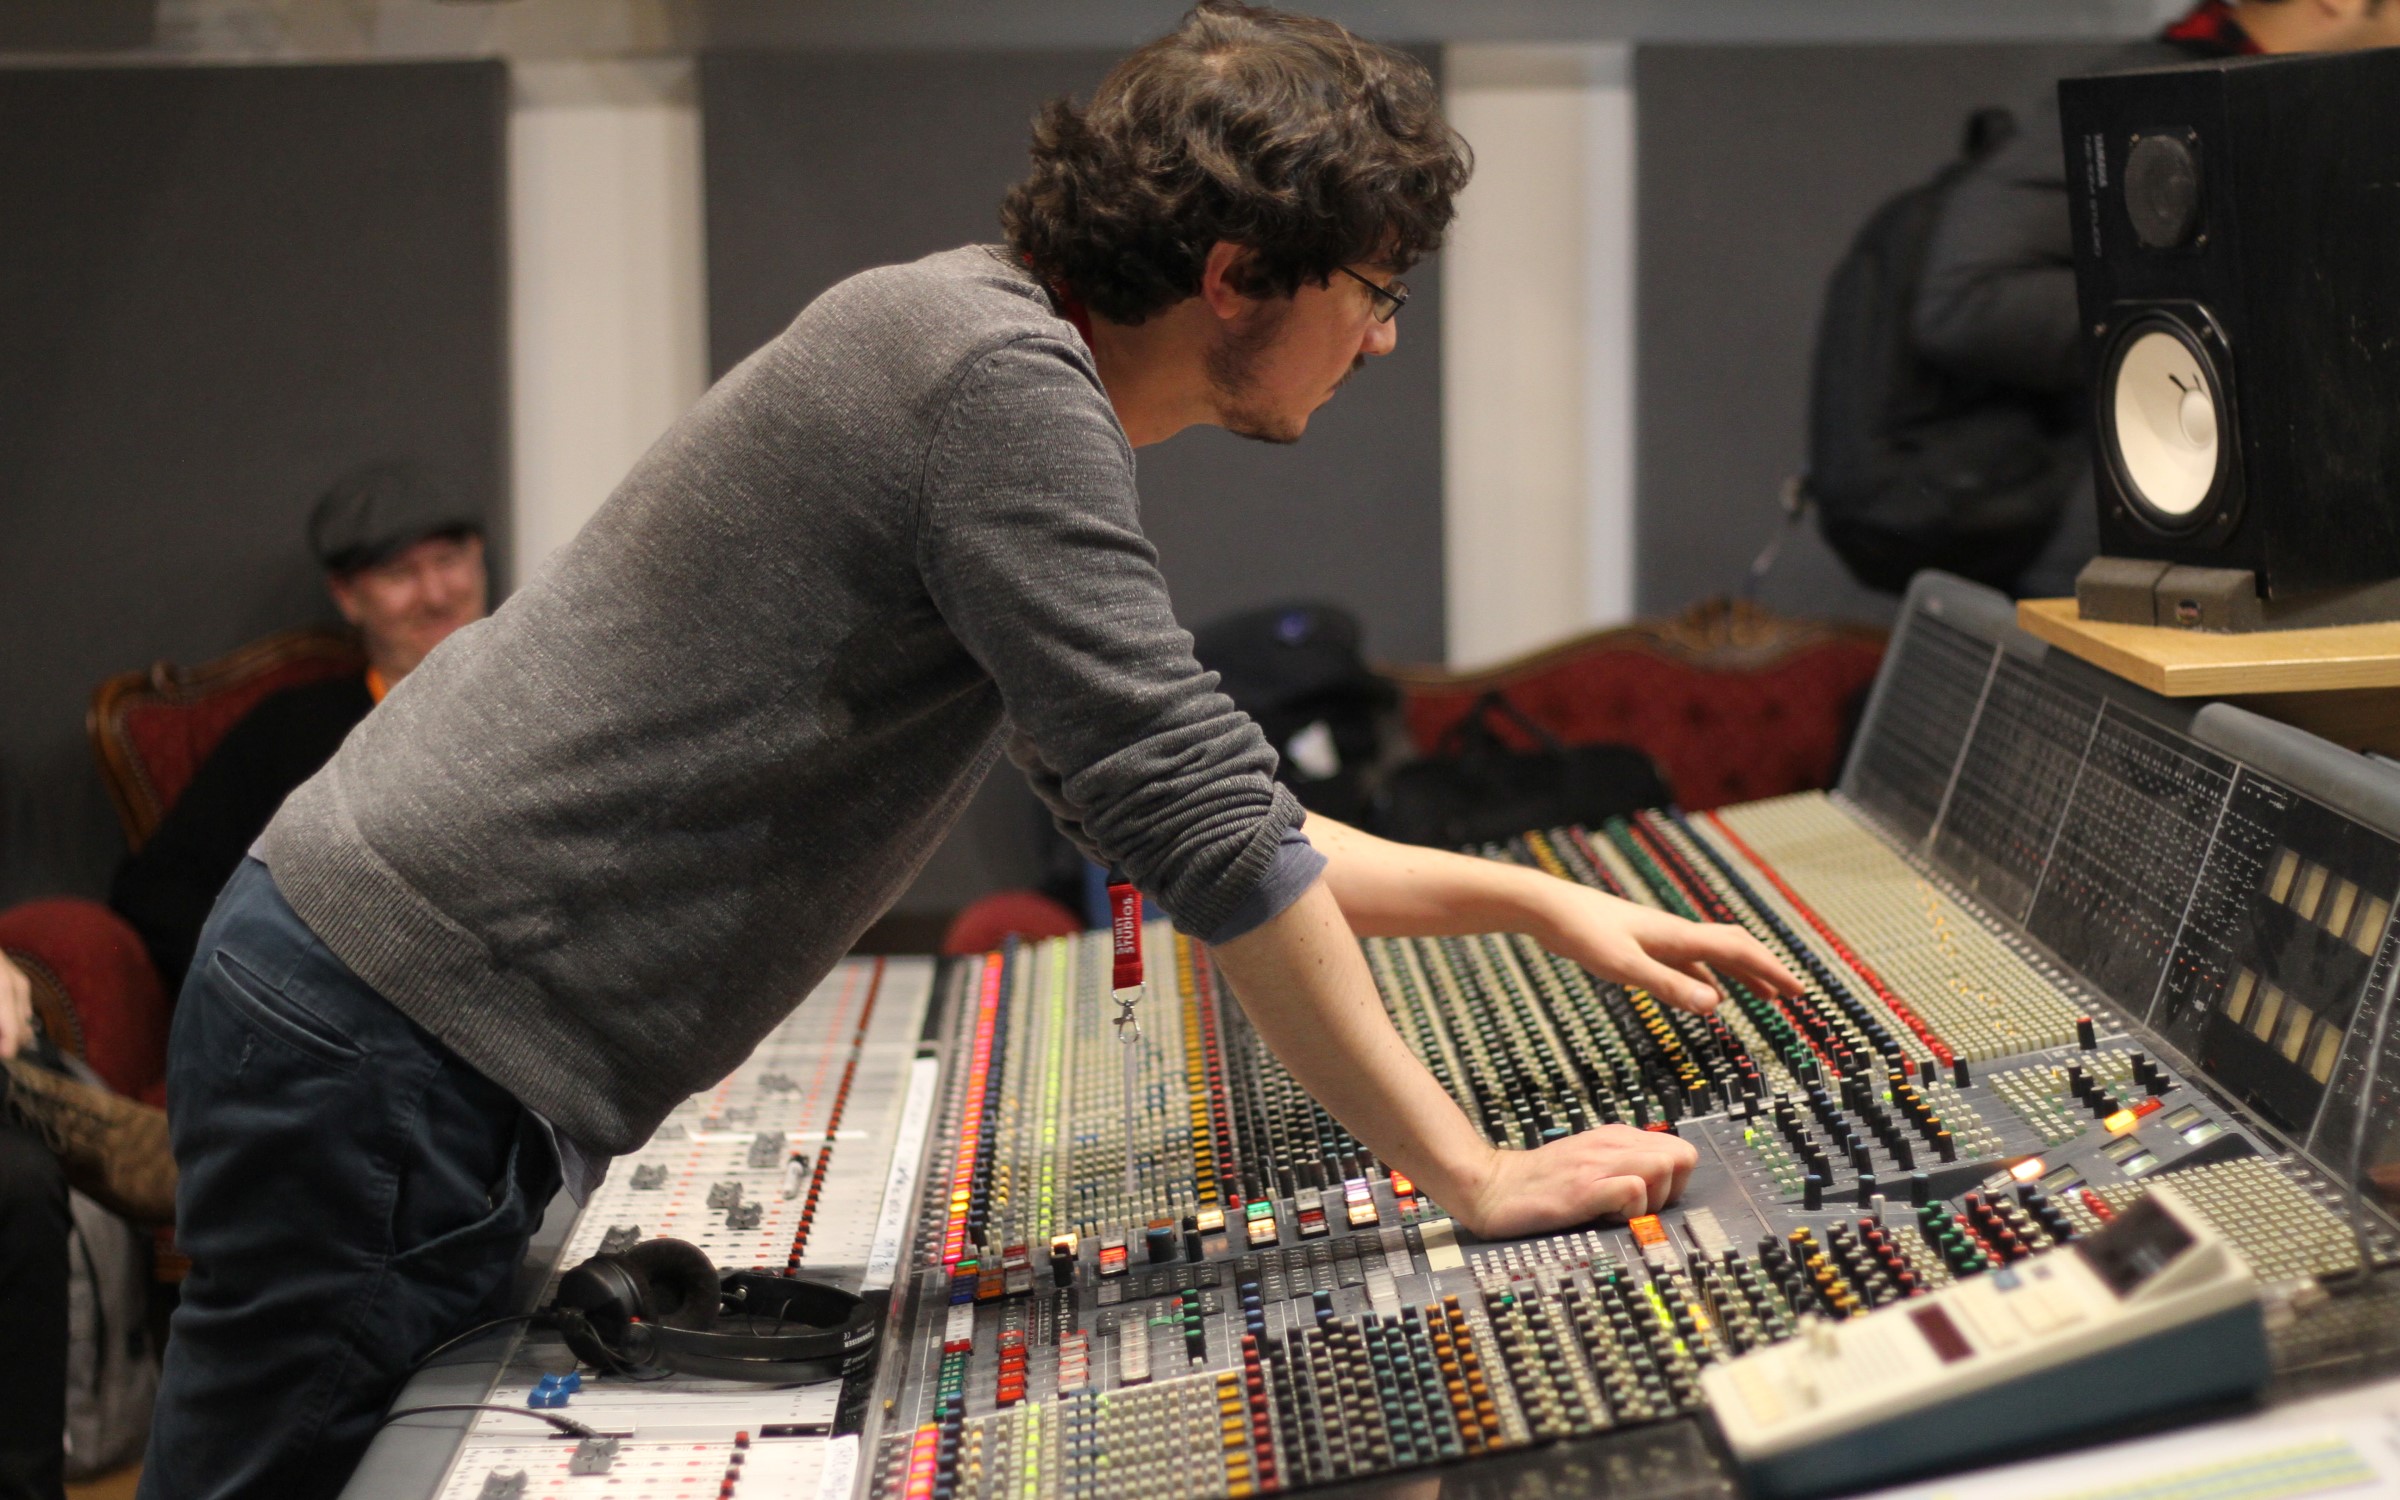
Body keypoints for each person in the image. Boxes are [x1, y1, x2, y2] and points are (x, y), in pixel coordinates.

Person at [140, 8, 1800, 1497]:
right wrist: (1473, 1174)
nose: (1380, 343)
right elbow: (1206, 823)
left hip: (387, 1012)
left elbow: (1172, 799)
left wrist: (1533, 905)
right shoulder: (992, 386)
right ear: (1237, 272)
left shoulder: (975, 352)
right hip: (384, 1032)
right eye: (1375, 292)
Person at [1913, 0, 2400, 596]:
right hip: (2151, 530)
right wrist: (2217, 333)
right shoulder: (2151, 95)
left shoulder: (2329, 112)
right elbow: (1964, 298)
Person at [108, 461, 489, 995]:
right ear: (347, 597)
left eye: (450, 561)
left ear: (480, 561)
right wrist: (289, 981)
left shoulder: (553, 704)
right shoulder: (287, 733)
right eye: (401, 574)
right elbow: (158, 893)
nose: (435, 594)